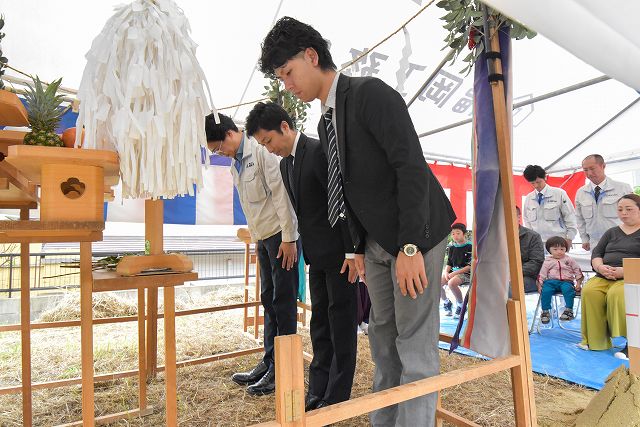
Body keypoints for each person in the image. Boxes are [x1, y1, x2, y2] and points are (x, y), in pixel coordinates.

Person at [259, 17, 456, 426]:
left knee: (414, 339)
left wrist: (410, 247)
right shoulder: (324, 120)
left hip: (413, 235)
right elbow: (345, 188)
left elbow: (411, 169)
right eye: (280, 77)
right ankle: (382, 421)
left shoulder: (370, 94)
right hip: (377, 242)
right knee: (382, 335)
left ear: (312, 56)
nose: (287, 84)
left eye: (288, 72)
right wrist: (356, 246)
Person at [245, 101, 359, 410]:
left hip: (340, 256)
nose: (269, 150)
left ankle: (336, 396)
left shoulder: (319, 151)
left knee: (341, 323)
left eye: (268, 141)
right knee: (319, 322)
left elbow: (343, 203)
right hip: (316, 256)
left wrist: (352, 250)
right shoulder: (285, 164)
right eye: (262, 145)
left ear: (284, 127)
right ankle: (316, 389)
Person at [205, 113, 299, 396]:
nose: (220, 153)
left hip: (280, 238)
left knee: (282, 303)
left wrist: (289, 238)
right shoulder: (237, 163)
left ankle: (283, 369)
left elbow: (281, 194)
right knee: (268, 300)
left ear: (230, 134)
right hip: (263, 238)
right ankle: (269, 361)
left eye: (219, 147)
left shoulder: (261, 151)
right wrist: (258, 239)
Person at [579, 194, 640, 359]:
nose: (623, 213)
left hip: (633, 277)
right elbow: (597, 253)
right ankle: (596, 341)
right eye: (620, 209)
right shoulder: (612, 232)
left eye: (629, 209)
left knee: (618, 295)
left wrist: (625, 271)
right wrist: (600, 267)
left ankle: (632, 343)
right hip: (604, 275)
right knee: (590, 291)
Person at [575, 154, 633, 251]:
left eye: (592, 168)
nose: (589, 173)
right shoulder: (581, 192)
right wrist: (584, 238)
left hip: (620, 242)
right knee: (597, 266)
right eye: (585, 170)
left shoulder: (622, 188)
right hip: (595, 244)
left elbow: (633, 215)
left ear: (603, 166)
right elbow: (579, 218)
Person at [522, 164, 578, 246]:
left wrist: (569, 238)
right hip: (537, 243)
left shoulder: (559, 193)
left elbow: (570, 216)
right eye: (532, 183)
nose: (536, 186)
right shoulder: (529, 198)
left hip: (558, 242)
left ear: (545, 177)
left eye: (538, 182)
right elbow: (526, 220)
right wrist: (531, 239)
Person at [537, 236, 584, 324]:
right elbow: (542, 274)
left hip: (566, 282)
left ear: (566, 249)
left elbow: (577, 270)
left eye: (562, 249)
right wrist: (539, 285)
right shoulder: (548, 261)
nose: (559, 252)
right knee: (545, 291)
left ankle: (569, 310)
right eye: (555, 249)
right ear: (549, 250)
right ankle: (545, 311)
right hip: (551, 282)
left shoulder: (569, 260)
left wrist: (578, 284)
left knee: (568, 290)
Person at [441, 223, 471, 319]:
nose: (455, 236)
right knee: (436, 284)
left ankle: (461, 306)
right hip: (453, 272)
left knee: (451, 283)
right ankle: (447, 303)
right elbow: (449, 262)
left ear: (464, 234)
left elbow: (469, 266)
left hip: (466, 273)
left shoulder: (470, 246)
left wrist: (454, 273)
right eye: (453, 233)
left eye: (458, 233)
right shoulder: (452, 247)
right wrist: (446, 272)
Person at [516, 206, 545, 294]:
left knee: (507, 289)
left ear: (518, 217)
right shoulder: (496, 237)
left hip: (528, 277)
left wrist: (514, 273)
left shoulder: (533, 236)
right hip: (501, 276)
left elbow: (536, 262)